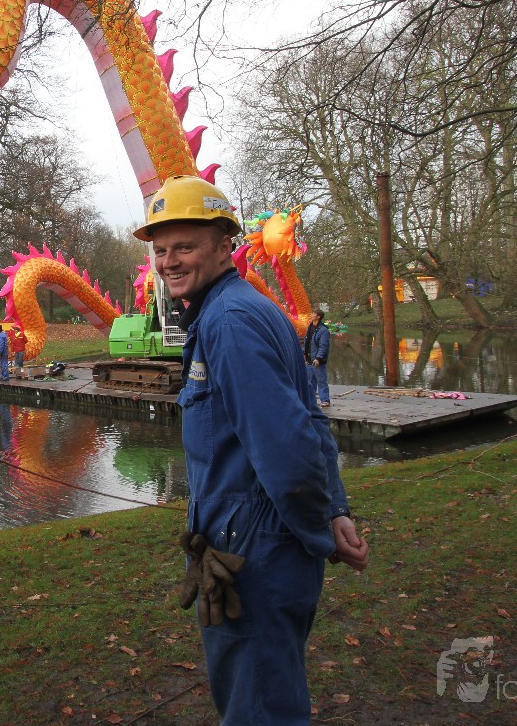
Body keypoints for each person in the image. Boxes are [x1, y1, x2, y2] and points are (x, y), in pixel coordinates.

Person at [134, 174, 369, 725]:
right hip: (250, 542)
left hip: (253, 554)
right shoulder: (237, 309)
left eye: (185, 247)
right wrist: (334, 511)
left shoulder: (230, 322)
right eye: (161, 250)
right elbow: (311, 418)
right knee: (267, 693)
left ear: (225, 246)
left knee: (259, 708)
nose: (169, 262)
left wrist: (319, 531)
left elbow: (289, 448)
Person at [303, 310, 332, 407]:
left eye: (313, 314)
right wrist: (304, 354)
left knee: (321, 381)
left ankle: (325, 400)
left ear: (318, 317)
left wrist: (318, 358)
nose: (311, 315)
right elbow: (307, 343)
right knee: (310, 382)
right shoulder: (310, 327)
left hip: (318, 360)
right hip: (309, 359)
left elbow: (323, 346)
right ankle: (311, 401)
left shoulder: (323, 330)